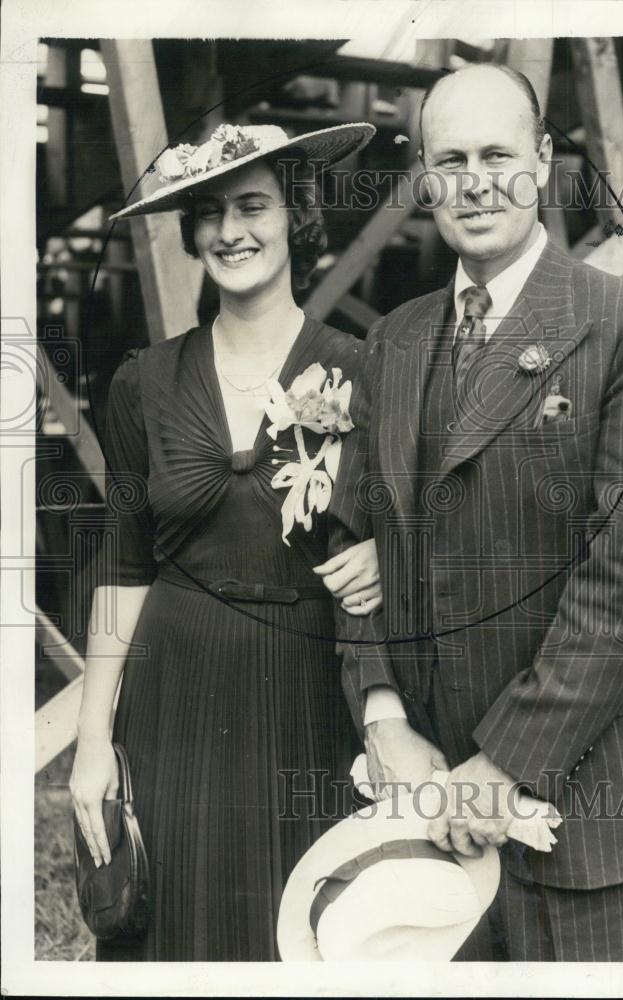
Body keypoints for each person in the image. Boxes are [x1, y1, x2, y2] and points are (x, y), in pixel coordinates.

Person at [336, 64, 623, 962]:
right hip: (426, 829)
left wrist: (499, 769)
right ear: (425, 178)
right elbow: (357, 547)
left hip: (583, 822)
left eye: (498, 154)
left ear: (543, 161)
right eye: (450, 159)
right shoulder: (393, 341)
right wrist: (383, 715)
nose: (475, 182)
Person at [69, 121, 383, 961]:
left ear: (297, 217)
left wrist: (386, 551)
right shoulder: (144, 381)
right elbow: (124, 564)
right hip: (174, 695)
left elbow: (414, 519)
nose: (230, 231)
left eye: (252, 206)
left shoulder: (361, 369)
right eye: (208, 213)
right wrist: (95, 744)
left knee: (297, 929)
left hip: (306, 691)